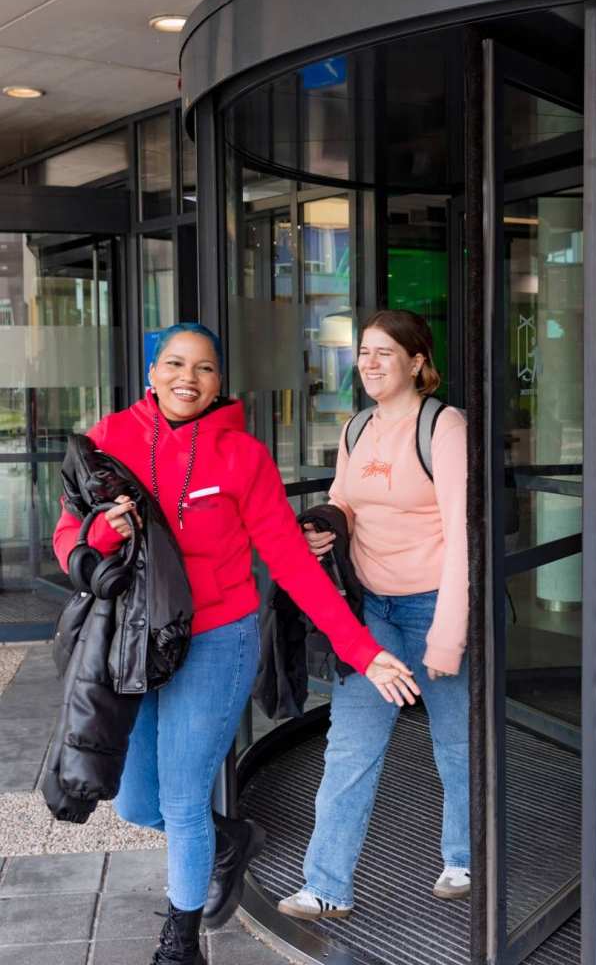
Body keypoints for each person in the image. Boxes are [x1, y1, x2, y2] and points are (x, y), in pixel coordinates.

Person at [52, 322, 419, 965]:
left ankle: (180, 940)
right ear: (151, 373)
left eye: (204, 369)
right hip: (135, 643)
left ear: (220, 382)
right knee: (138, 803)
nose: (187, 379)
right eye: (174, 364)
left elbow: (293, 563)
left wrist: (362, 651)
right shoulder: (109, 441)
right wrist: (101, 538)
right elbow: (69, 540)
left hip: (217, 640)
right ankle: (230, 841)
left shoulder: (242, 456)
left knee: (182, 799)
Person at [278, 309, 469, 921]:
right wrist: (325, 528)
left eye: (385, 352)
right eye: (364, 352)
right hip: (371, 609)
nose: (370, 363)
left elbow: (465, 536)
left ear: (418, 361)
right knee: (351, 744)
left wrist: (449, 633)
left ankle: (463, 855)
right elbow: (343, 499)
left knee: (456, 742)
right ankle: (326, 884)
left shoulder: (444, 426)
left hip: (434, 603)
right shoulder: (357, 427)